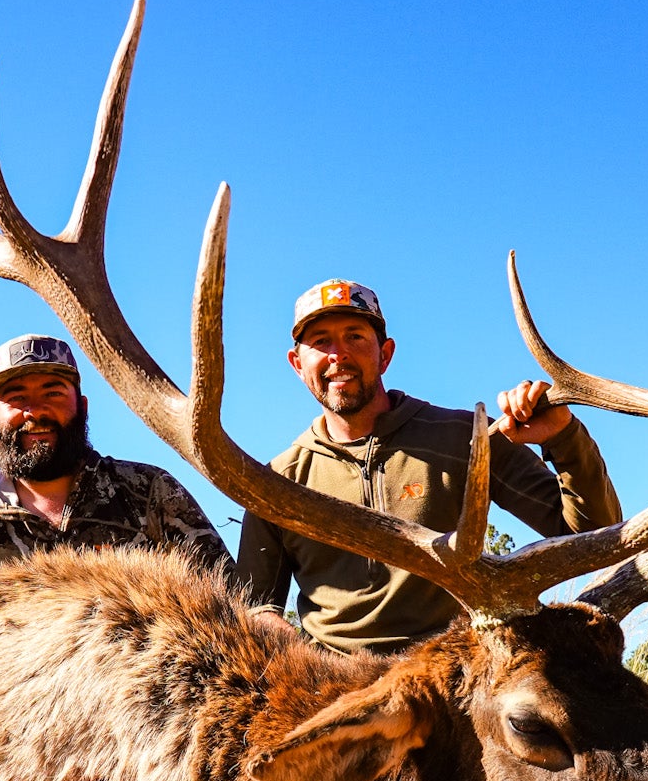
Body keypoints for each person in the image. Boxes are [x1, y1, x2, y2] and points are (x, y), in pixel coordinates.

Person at [238, 279, 622, 655]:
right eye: (321, 341)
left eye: (355, 336)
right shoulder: (276, 483)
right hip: (335, 685)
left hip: (455, 674)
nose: (338, 354)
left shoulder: (466, 439)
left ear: (385, 354)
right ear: (297, 363)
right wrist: (312, 667)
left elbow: (592, 532)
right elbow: (256, 608)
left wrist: (564, 437)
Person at [0, 334, 232, 615]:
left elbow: (232, 596)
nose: (35, 411)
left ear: (83, 406)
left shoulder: (150, 492)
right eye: (16, 398)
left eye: (53, 393)